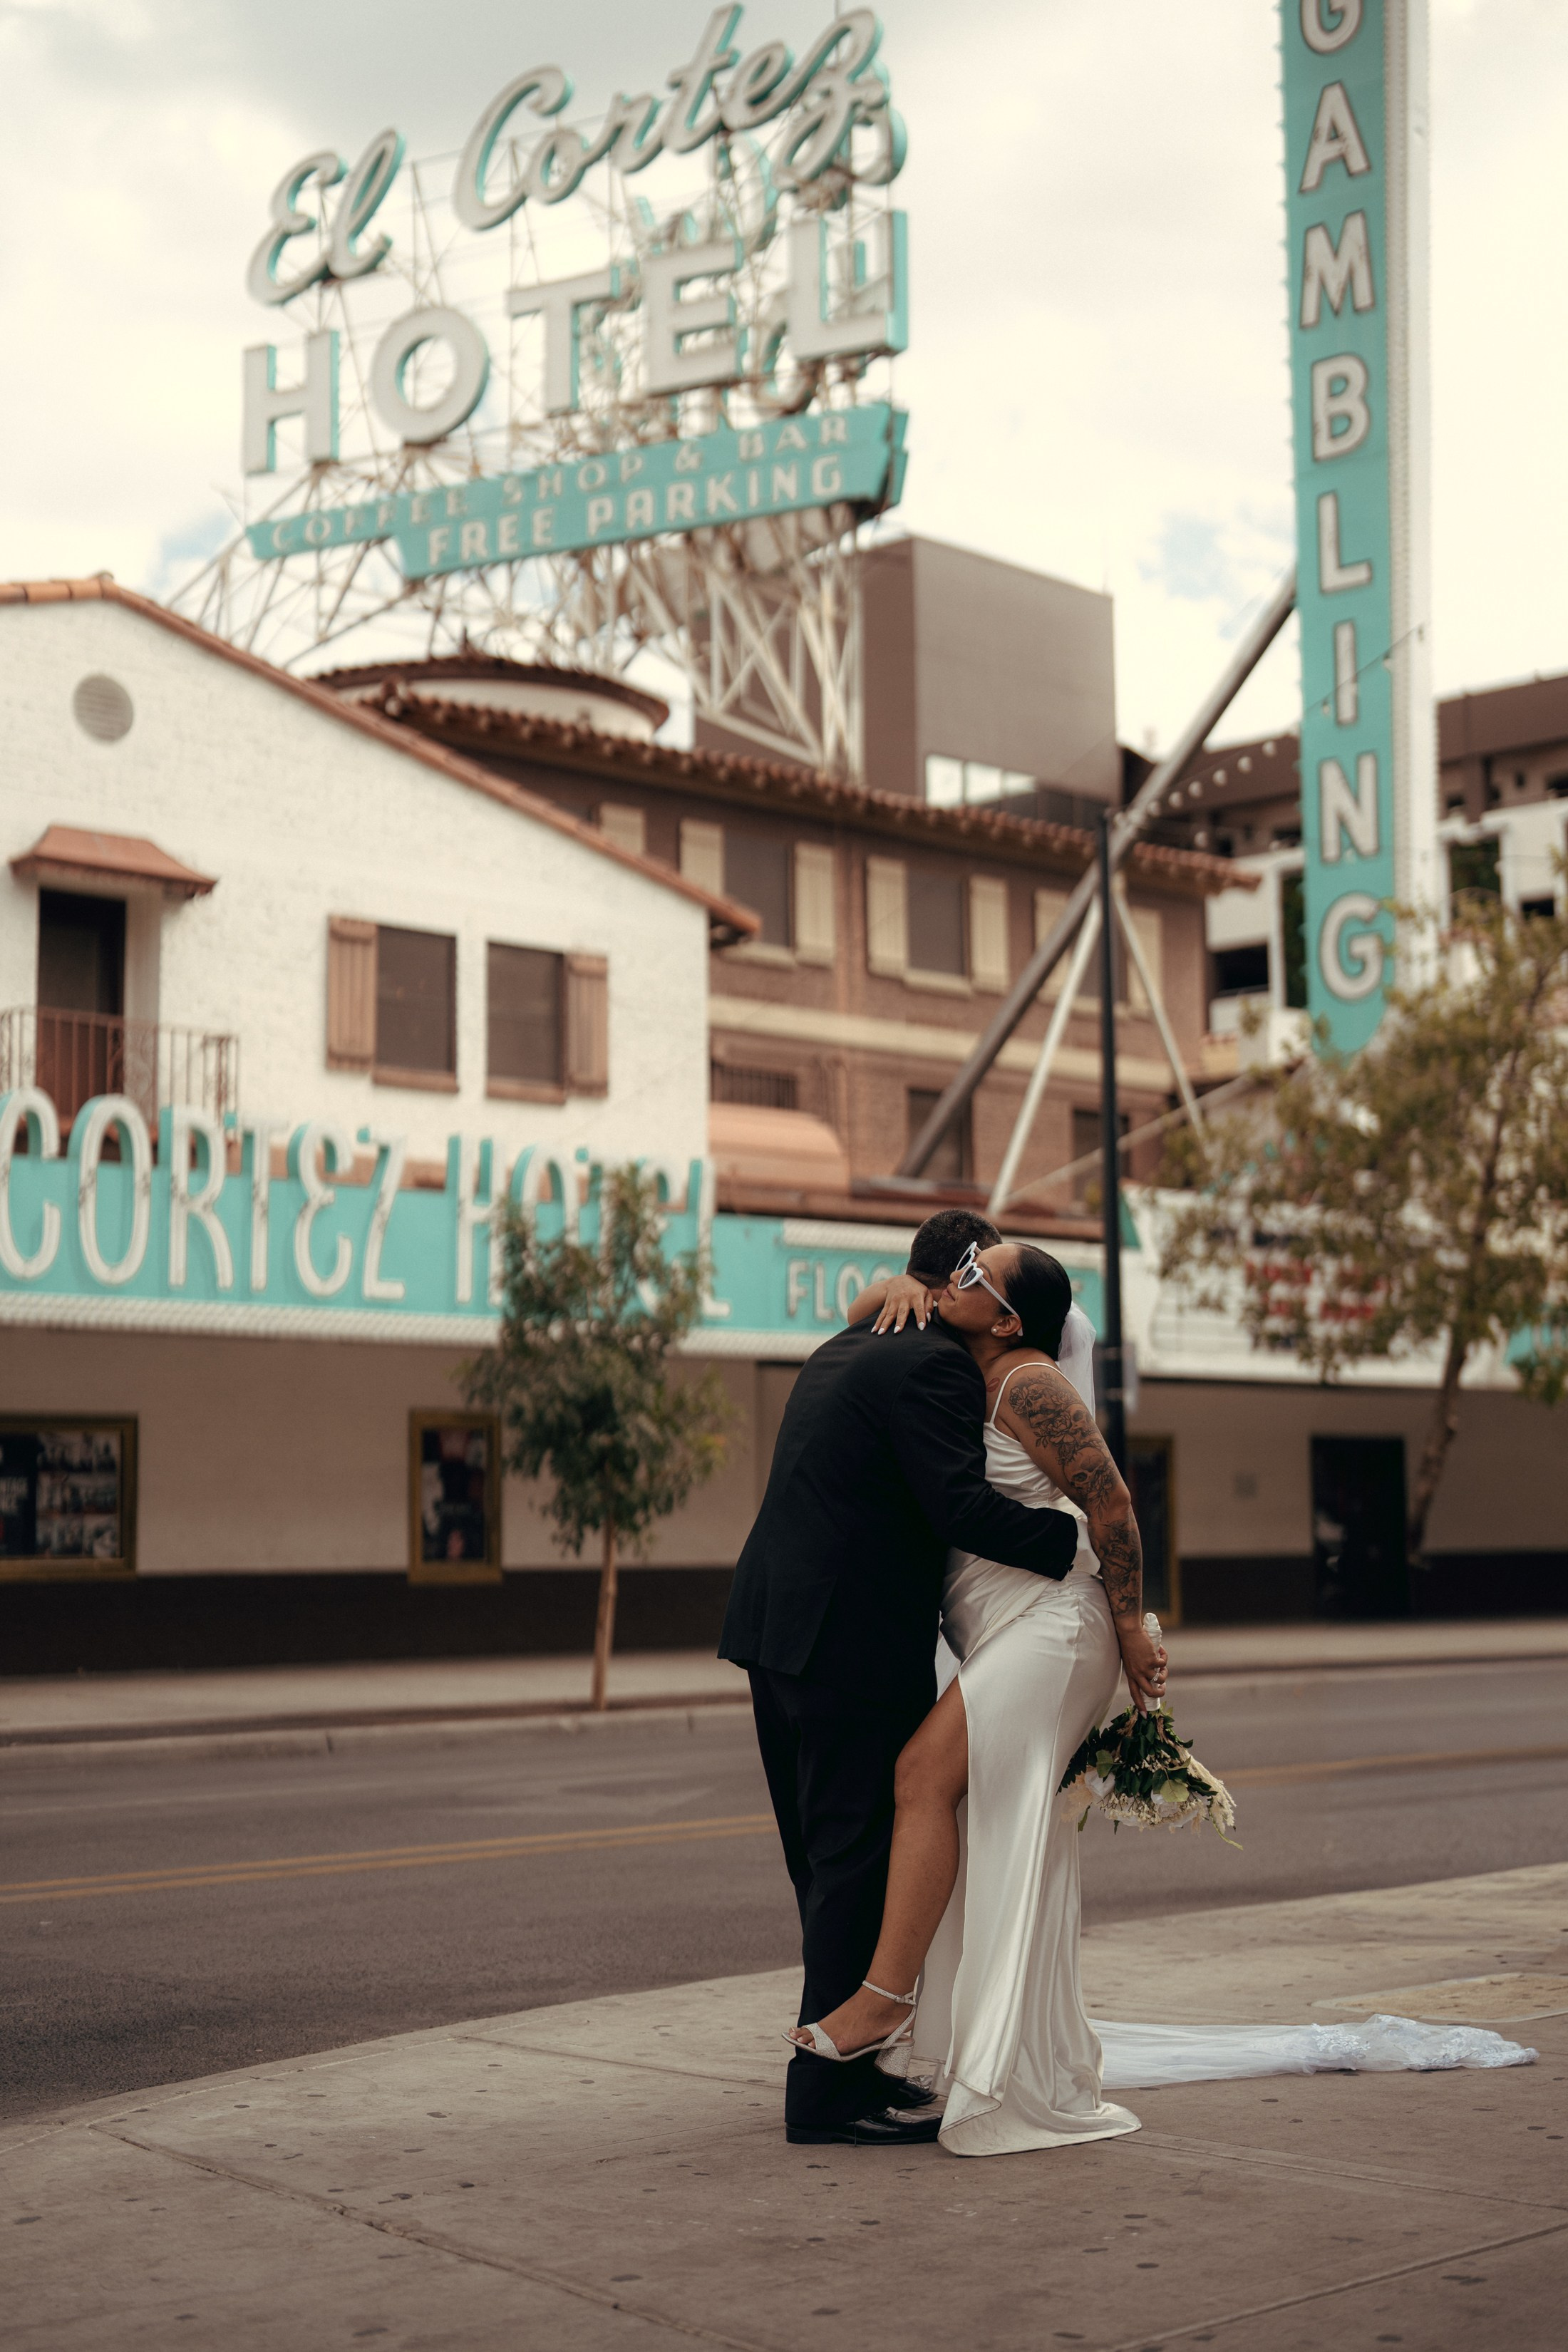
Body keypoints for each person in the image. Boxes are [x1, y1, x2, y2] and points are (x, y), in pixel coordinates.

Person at [787, 1243, 1536, 2152]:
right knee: (992, 1822)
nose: (963, 1272)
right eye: (964, 1262)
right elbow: (874, 1302)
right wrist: (902, 1283)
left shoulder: (1029, 1384)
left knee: (921, 1777)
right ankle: (985, 2044)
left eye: (979, 1272)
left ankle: (884, 2004)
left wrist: (1135, 1629)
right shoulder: (955, 1361)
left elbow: (1113, 1510)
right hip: (999, 1624)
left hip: (1056, 1626)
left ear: (1011, 1319)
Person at [718, 1210, 1085, 2147]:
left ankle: (851, 2066)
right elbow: (958, 1506)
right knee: (855, 1861)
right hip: (845, 1638)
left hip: (776, 1627)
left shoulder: (854, 1338)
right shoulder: (929, 1365)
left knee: (826, 1859)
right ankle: (825, 2094)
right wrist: (1076, 1545)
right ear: (951, 1288)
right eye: (974, 1271)